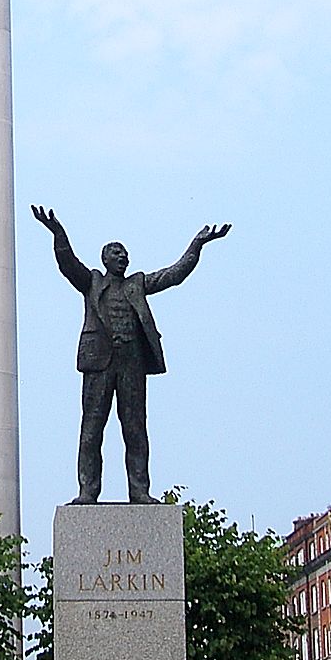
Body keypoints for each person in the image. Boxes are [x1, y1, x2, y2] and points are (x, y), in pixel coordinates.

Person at [31, 205, 230, 503]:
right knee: (91, 429)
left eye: (125, 254)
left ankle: (140, 490)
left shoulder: (138, 284)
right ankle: (88, 490)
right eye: (117, 253)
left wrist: (197, 245)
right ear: (105, 259)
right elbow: (67, 263)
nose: (123, 257)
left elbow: (173, 274)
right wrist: (58, 232)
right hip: (99, 362)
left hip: (132, 364)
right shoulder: (92, 282)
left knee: (135, 429)